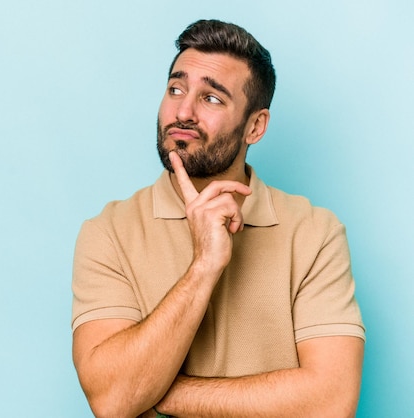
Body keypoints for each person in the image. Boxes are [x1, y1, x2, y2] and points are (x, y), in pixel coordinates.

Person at [71, 19, 365, 418]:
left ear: (255, 126)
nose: (183, 111)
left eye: (211, 98)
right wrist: (204, 265)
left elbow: (330, 402)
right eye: (176, 89)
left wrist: (161, 392)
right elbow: (112, 401)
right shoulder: (109, 231)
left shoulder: (315, 232)